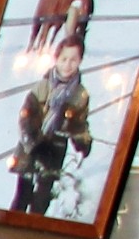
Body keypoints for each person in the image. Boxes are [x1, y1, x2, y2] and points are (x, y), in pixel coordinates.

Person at [11, 32, 93, 216]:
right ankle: (13, 228)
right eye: (64, 59)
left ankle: (34, 233)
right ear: (56, 58)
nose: (67, 64)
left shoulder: (79, 94)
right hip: (30, 147)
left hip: (53, 151)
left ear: (80, 60)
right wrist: (32, 142)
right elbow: (26, 116)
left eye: (73, 59)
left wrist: (83, 140)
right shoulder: (42, 87)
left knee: (42, 198)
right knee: (21, 195)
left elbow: (79, 123)